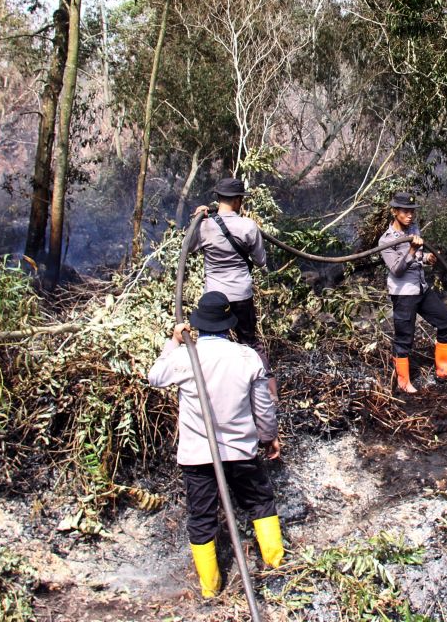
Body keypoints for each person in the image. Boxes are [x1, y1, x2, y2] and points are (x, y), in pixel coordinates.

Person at [148, 291, 283, 598]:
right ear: (228, 324)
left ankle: (210, 590)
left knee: (202, 517)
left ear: (199, 324)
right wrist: (269, 437)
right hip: (240, 452)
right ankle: (277, 565)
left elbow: (154, 376)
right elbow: (262, 408)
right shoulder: (247, 357)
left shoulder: (183, 357)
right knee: (260, 502)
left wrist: (173, 341)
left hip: (198, 456)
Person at [192, 177, 275, 398]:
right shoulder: (248, 226)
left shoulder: (204, 226)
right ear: (238, 201)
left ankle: (218, 392)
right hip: (241, 295)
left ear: (218, 198)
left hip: (214, 299)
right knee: (250, 342)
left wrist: (198, 219)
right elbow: (260, 261)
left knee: (214, 344)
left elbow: (188, 248)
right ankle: (268, 393)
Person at [379, 191, 447, 393]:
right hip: (403, 293)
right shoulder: (386, 240)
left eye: (412, 211)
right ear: (394, 212)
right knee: (404, 338)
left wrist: (427, 258)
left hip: (421, 288)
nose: (410, 215)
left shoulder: (414, 229)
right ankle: (403, 382)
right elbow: (397, 270)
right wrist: (410, 250)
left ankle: (444, 369)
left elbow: (417, 257)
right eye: (405, 211)